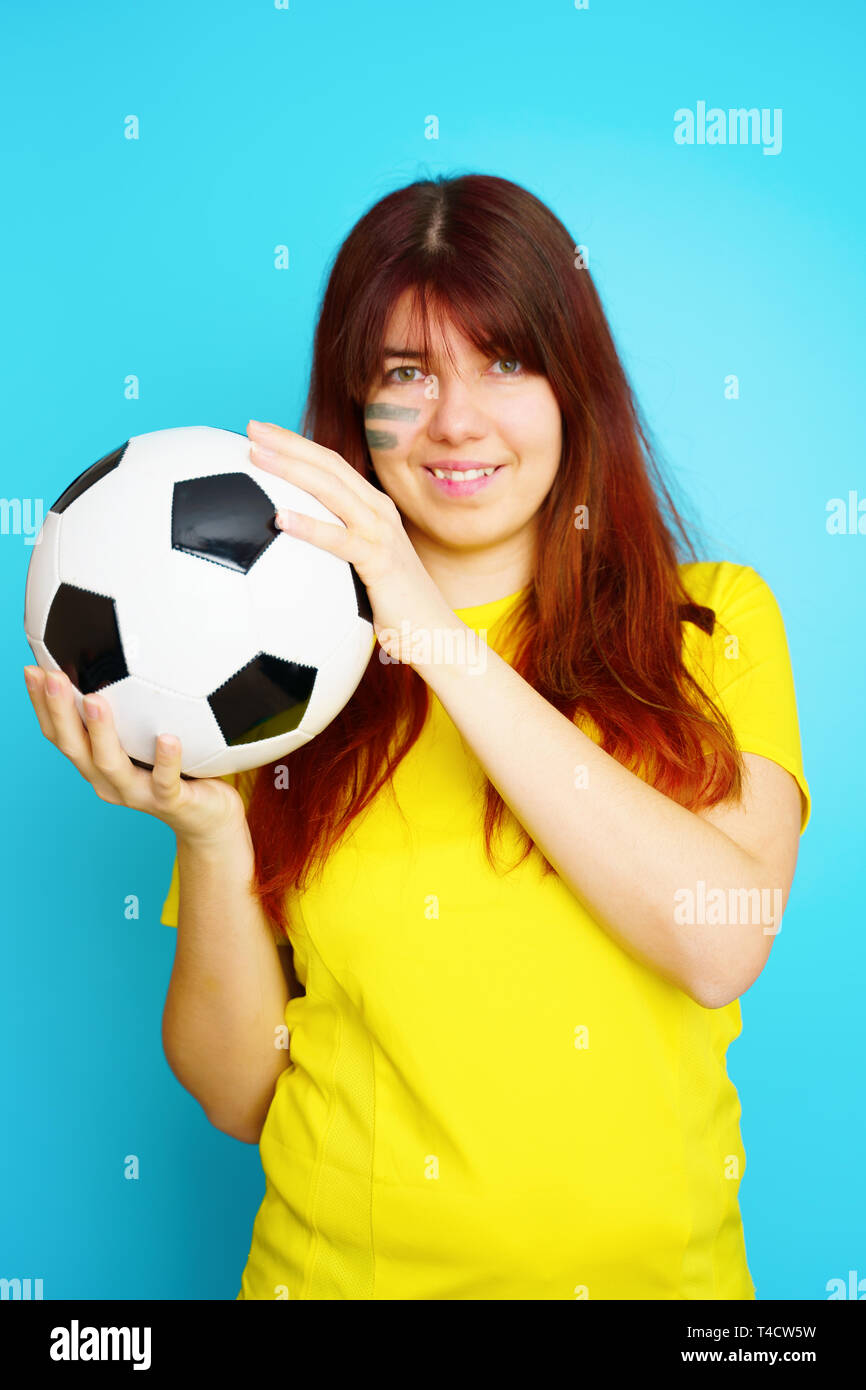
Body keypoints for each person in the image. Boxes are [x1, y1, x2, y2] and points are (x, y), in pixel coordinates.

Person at [24, 173, 810, 1301]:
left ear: (573, 386)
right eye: (406, 372)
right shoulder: (268, 675)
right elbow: (240, 1096)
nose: (456, 421)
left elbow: (715, 943)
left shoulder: (706, 623)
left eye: (505, 361)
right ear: (354, 405)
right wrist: (207, 831)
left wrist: (433, 632)